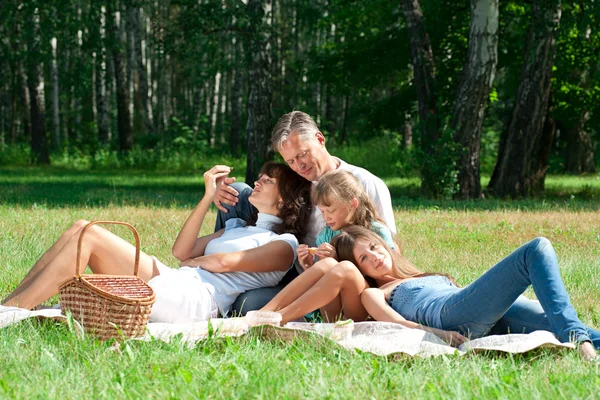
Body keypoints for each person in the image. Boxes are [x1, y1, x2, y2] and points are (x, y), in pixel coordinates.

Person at [2, 163, 312, 323]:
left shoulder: (283, 244)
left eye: (267, 180)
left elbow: (224, 263)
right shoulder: (236, 227)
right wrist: (206, 197)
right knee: (82, 228)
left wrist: (196, 263)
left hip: (198, 299)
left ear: (284, 198)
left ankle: (13, 312)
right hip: (179, 280)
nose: (256, 181)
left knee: (92, 236)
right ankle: (10, 307)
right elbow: (181, 251)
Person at [213, 111, 396, 313]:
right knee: (237, 192)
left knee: (249, 303)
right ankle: (213, 278)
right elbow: (267, 199)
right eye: (290, 161)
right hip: (287, 260)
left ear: (320, 139)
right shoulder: (296, 181)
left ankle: (228, 298)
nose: (300, 166)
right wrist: (220, 193)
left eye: (303, 154)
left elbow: (386, 254)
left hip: (325, 280)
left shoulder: (365, 184)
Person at [334, 225, 599, 361]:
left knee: (553, 320)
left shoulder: (418, 275)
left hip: (478, 312)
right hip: (449, 315)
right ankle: (580, 342)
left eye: (373, 247)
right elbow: (400, 324)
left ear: (383, 244)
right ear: (361, 269)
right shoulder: (376, 293)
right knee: (536, 249)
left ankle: (584, 339)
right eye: (364, 258)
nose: (375, 257)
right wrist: (439, 334)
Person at [260, 170, 397, 322]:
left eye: (331, 211)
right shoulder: (325, 236)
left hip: (368, 304)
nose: (326, 217)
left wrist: (337, 262)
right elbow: (326, 286)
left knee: (335, 265)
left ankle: (275, 318)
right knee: (329, 264)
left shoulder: (376, 231)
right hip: (333, 314)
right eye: (322, 211)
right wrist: (309, 266)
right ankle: (263, 314)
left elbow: (390, 273)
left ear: (353, 203)